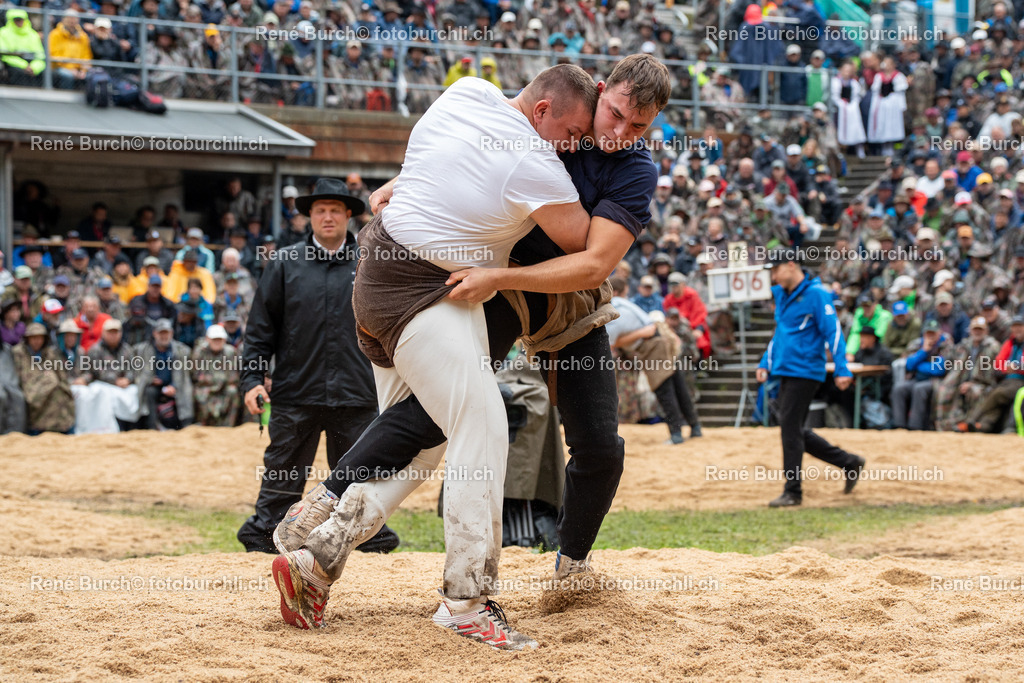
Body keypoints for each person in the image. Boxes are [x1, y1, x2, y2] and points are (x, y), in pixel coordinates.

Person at [272, 57, 671, 645]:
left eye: (638, 127)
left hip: (555, 296)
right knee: (447, 420)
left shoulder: (627, 165)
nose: (617, 134)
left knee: (598, 442)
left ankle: (571, 569)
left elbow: (591, 262)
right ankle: (391, 571)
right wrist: (409, 188)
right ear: (598, 89)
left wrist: (498, 275)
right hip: (484, 286)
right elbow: (458, 161)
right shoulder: (551, 123)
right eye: (612, 116)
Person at [237, 178, 399, 556]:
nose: (328, 217)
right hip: (295, 393)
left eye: (335, 210)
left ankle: (364, 546)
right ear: (309, 215)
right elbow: (260, 329)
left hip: (357, 393)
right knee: (282, 478)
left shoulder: (369, 258)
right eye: (320, 210)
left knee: (359, 482)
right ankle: (265, 546)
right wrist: (251, 380)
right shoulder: (283, 264)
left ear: (347, 215)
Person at [756, 249, 865, 507]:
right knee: (794, 429)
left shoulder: (817, 294)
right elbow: (781, 333)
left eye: (775, 269)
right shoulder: (782, 295)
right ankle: (849, 462)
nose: (773, 276)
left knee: (790, 430)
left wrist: (841, 368)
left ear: (791, 265)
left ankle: (793, 492)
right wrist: (765, 362)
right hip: (786, 368)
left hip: (805, 370)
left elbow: (833, 331)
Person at [608, 276, 701, 444]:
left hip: (653, 346)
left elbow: (613, 343)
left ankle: (676, 434)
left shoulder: (614, 306)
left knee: (665, 390)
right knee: (678, 387)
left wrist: (624, 340)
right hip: (660, 340)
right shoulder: (622, 302)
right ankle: (695, 428)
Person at [962, 316, 1024, 433]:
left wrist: (1016, 367)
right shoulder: (1010, 343)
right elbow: (998, 364)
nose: (1017, 329)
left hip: (1020, 381)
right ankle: (983, 426)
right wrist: (1006, 368)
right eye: (1015, 326)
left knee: (997, 394)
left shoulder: (995, 345)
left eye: (1020, 326)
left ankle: (971, 420)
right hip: (1007, 380)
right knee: (994, 395)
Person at [11, 323, 75, 435]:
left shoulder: (49, 353)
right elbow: (18, 375)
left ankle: (62, 430)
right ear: (28, 339)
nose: (37, 341)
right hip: (30, 388)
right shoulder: (18, 353)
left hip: (50, 386)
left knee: (61, 393)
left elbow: (60, 374)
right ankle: (37, 429)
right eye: (34, 337)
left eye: (40, 338)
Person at [890, 320, 953, 430]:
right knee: (899, 388)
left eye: (933, 333)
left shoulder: (946, 345)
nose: (931, 336)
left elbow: (939, 370)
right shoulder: (918, 344)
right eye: (928, 333)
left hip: (937, 381)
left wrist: (918, 365)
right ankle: (899, 425)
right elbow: (908, 365)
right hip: (917, 378)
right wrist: (924, 351)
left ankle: (915, 427)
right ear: (924, 334)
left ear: (939, 333)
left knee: (919, 389)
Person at [135, 318, 194, 430]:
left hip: (176, 386)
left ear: (171, 333)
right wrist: (150, 379)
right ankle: (151, 427)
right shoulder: (143, 350)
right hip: (155, 386)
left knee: (186, 392)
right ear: (154, 334)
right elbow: (137, 372)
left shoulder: (182, 350)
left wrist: (174, 385)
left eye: (166, 333)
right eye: (160, 333)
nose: (164, 336)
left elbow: (185, 374)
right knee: (148, 392)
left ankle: (185, 425)